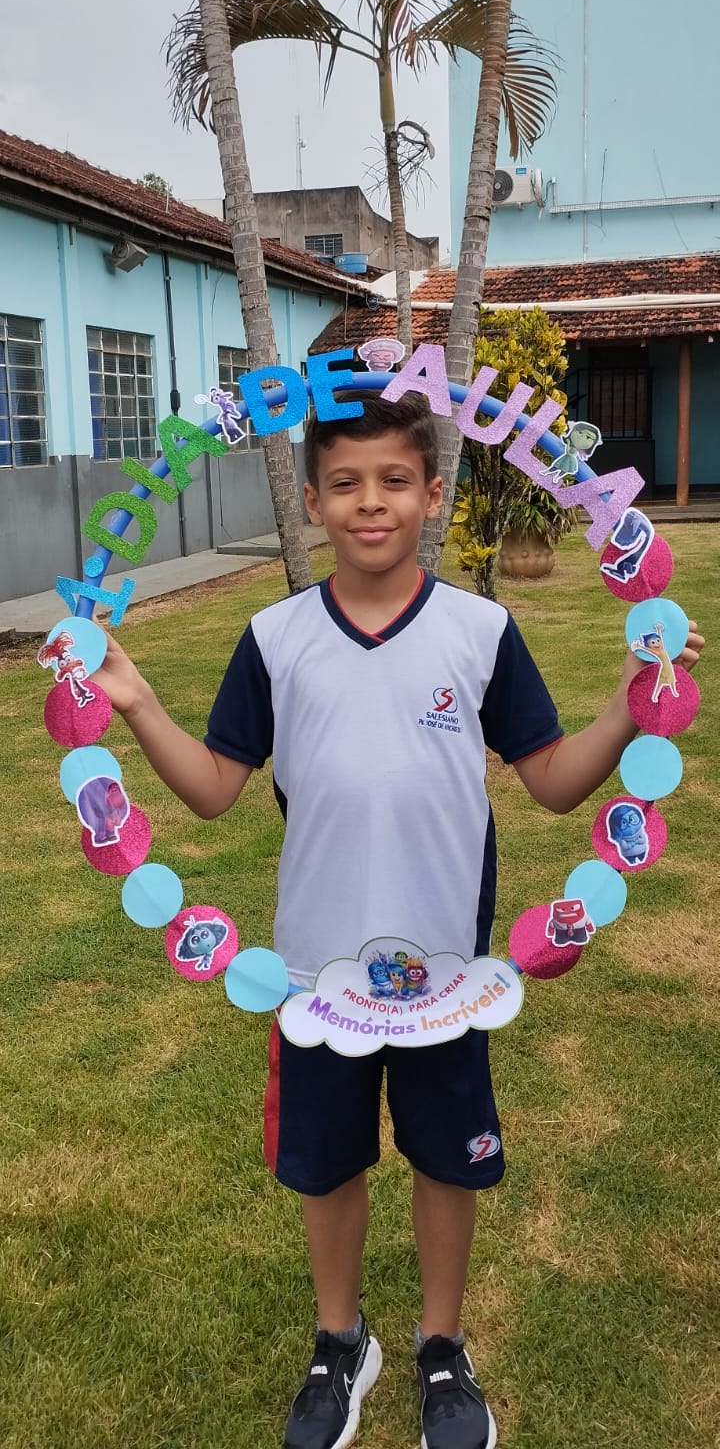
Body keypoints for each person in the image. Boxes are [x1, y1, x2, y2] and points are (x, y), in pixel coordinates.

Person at [93, 390, 703, 1449]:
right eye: (344, 483)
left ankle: (441, 1347)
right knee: (326, 1161)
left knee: (447, 1157)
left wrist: (625, 702)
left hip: (446, 969)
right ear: (312, 505)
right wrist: (139, 701)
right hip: (318, 972)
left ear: (431, 493)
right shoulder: (275, 638)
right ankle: (341, 1342)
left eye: (392, 480)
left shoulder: (480, 631)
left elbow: (554, 781)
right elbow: (214, 789)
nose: (369, 502)